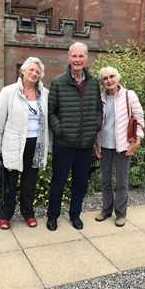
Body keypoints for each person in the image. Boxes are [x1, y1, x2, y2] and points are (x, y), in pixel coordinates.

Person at [46, 42, 103, 231]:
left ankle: (74, 214)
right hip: (64, 143)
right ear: (68, 58)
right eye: (74, 56)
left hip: (85, 144)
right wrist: (60, 129)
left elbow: (98, 109)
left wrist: (95, 127)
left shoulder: (94, 83)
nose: (77, 60)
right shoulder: (58, 82)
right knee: (58, 182)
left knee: (80, 184)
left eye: (81, 56)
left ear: (86, 59)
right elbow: (51, 112)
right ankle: (52, 216)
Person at [0, 57, 50, 230]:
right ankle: (5, 215)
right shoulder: (8, 92)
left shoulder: (44, 94)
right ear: (22, 71)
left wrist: (49, 147)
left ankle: (28, 213)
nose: (34, 73)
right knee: (9, 184)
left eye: (37, 72)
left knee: (29, 184)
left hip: (35, 146)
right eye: (31, 70)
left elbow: (47, 123)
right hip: (13, 145)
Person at [94, 66, 145, 227]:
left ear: (118, 77)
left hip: (123, 147)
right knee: (106, 181)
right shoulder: (100, 98)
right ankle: (106, 210)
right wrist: (95, 145)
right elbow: (96, 123)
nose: (109, 80)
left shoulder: (129, 95)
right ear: (102, 81)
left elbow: (139, 118)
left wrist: (138, 140)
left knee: (122, 182)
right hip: (104, 146)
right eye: (105, 78)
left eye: (111, 76)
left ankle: (121, 213)